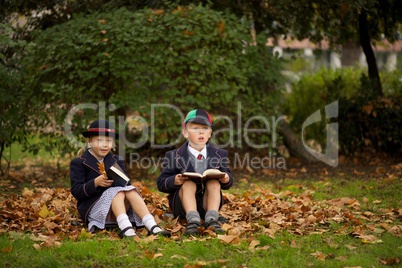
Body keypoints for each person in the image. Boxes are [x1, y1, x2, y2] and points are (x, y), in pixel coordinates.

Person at [70, 119, 171, 238]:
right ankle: (125, 228)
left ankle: (152, 225)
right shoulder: (79, 162)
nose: (105, 144)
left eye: (108, 141)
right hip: (95, 208)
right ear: (89, 142)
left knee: (130, 189)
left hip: (118, 208)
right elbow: (77, 191)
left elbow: (126, 183)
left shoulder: (116, 160)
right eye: (100, 140)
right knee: (116, 192)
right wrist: (95, 183)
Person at [157, 109, 233, 236]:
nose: (201, 131)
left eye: (205, 128)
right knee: (188, 183)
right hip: (183, 207)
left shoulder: (220, 155)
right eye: (196, 128)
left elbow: (228, 180)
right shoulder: (173, 156)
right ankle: (193, 221)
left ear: (210, 133)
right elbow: (161, 183)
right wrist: (174, 180)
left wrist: (226, 178)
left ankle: (212, 219)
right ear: (185, 133)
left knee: (213, 182)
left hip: (208, 204)